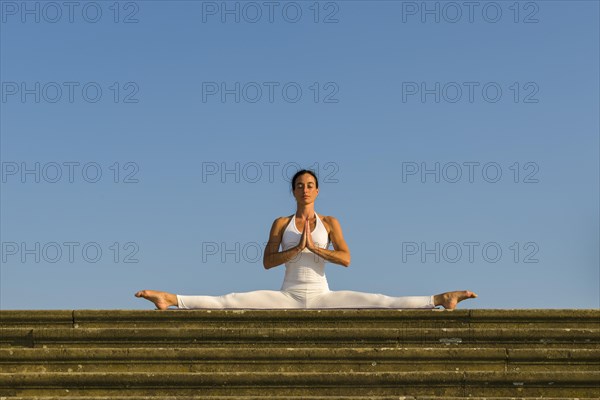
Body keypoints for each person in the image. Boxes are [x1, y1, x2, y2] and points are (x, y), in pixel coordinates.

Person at [135, 169, 478, 310]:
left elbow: (346, 258)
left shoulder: (329, 221)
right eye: (300, 185)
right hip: (286, 295)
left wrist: (315, 249)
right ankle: (170, 298)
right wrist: (295, 250)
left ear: (317, 190)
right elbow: (267, 262)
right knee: (231, 299)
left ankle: (441, 297)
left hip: (322, 295)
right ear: (293, 190)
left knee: (378, 300)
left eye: (310, 185)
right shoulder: (281, 222)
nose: (305, 189)